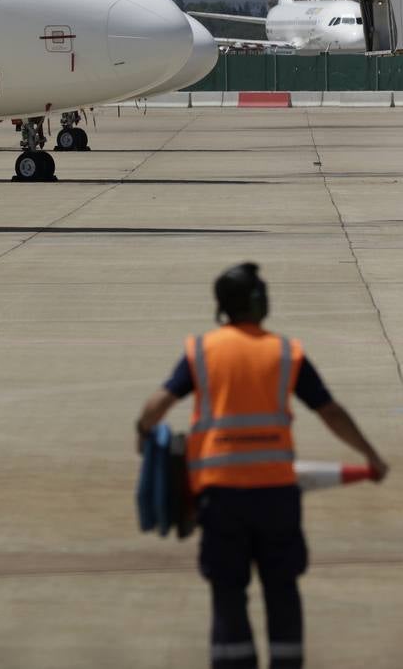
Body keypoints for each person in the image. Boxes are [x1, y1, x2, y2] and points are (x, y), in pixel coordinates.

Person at [135, 262, 388, 669]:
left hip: (220, 495)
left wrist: (143, 433)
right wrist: (370, 456)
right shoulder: (285, 352)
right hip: (275, 495)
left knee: (227, 591)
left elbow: (157, 406)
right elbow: (331, 412)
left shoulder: (202, 351)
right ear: (255, 301)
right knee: (282, 588)